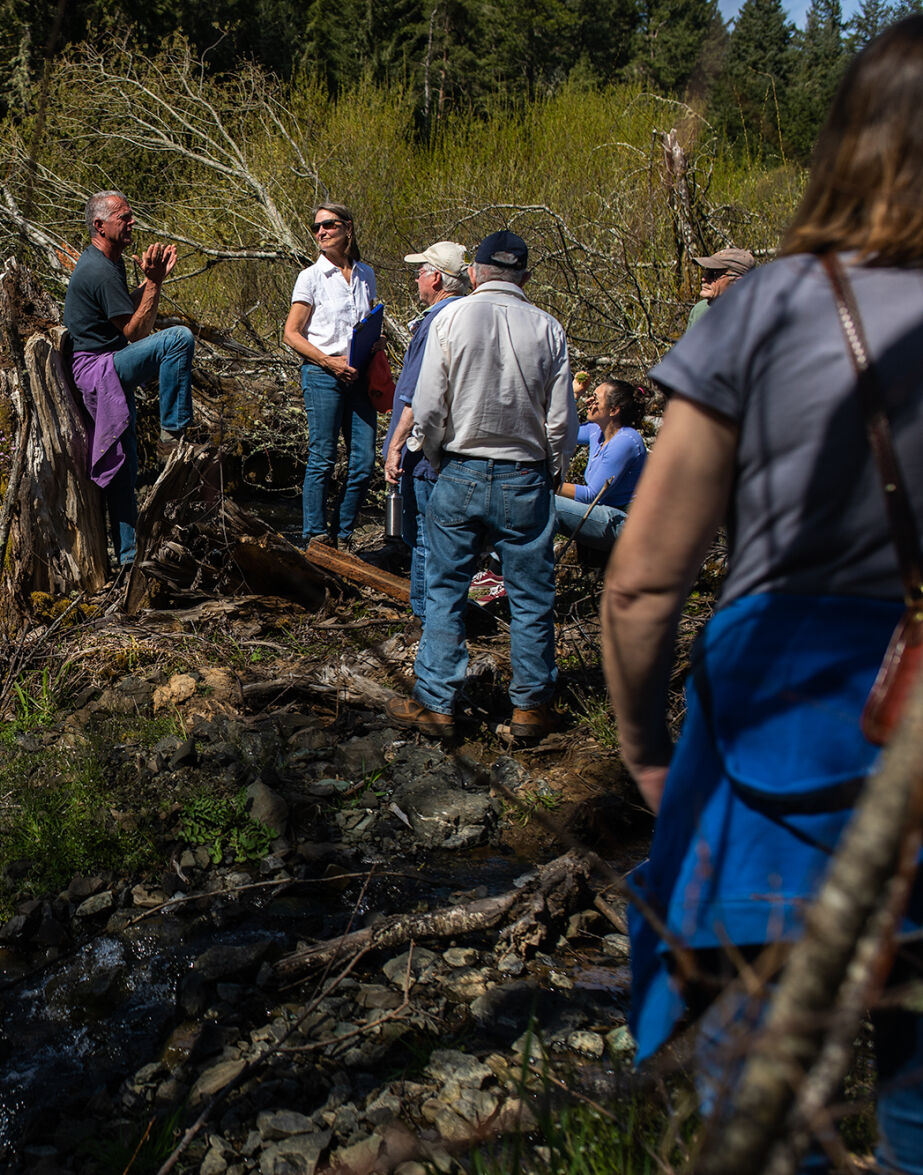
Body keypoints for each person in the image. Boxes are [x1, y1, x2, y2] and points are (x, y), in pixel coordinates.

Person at [604, 17, 923, 1171]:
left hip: (778, 746)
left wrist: (643, 747)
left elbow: (642, 580)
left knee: (748, 1099)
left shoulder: (765, 304)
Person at [387, 229, 576, 741]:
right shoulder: (549, 328)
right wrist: (551, 471)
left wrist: (435, 454)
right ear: (526, 276)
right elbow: (561, 423)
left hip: (461, 467)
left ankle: (437, 703)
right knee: (533, 596)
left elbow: (427, 404)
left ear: (475, 273)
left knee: (445, 587)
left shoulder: (451, 317)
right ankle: (531, 708)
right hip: (525, 473)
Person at [64, 190, 196, 568]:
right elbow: (135, 333)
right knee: (178, 339)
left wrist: (150, 282)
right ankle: (174, 434)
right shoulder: (99, 269)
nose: (132, 222)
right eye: (124, 217)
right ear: (100, 225)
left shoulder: (107, 262)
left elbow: (123, 311)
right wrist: (153, 284)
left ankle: (126, 559)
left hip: (107, 363)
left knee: (125, 467)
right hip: (98, 369)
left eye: (131, 215)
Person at [283, 203, 378, 550]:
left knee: (365, 460)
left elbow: (365, 324)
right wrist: (327, 361)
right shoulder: (310, 277)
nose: (321, 232)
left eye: (329, 225)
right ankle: (315, 535)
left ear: (347, 228)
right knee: (323, 456)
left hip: (360, 375)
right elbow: (291, 334)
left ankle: (343, 533)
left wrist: (374, 340)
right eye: (316, 227)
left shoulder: (366, 273)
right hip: (323, 373)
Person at [383, 240, 471, 618]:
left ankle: (425, 620)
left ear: (436, 277)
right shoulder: (469, 315)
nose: (416, 279)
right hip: (455, 447)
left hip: (425, 451)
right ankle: (442, 617)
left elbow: (417, 394)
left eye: (420, 272)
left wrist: (396, 446)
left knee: (423, 537)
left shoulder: (436, 321)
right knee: (448, 539)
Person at [551, 377, 649, 550]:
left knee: (543, 501)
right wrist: (573, 394)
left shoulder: (625, 441)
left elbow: (591, 495)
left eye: (595, 398)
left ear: (613, 410)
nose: (589, 401)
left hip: (626, 523)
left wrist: (547, 483)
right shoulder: (596, 431)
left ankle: (499, 568)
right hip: (604, 512)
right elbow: (562, 433)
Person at [685, 247, 755, 331]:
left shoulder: (757, 315)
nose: (704, 279)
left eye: (713, 274)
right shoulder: (699, 311)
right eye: (706, 272)